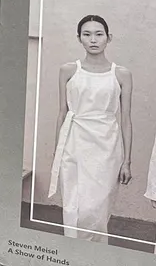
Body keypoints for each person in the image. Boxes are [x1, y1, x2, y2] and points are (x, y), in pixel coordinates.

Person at [48, 14, 133, 242]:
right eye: (87, 34)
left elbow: (126, 119)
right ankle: (72, 253)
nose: (93, 40)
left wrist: (127, 161)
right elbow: (62, 112)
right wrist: (57, 152)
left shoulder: (121, 74)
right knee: (74, 206)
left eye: (99, 34)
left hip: (107, 147)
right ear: (79, 38)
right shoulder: (68, 70)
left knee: (96, 210)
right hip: (73, 143)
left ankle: (94, 254)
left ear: (108, 38)